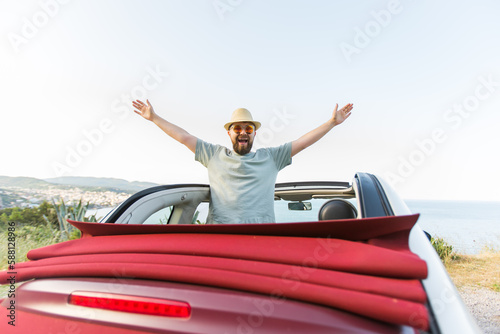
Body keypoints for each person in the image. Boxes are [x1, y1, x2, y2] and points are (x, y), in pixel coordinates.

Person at [132, 100, 353, 224]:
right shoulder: (213, 155)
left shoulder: (271, 158)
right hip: (220, 240)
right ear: (229, 133)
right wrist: (154, 118)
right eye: (237, 128)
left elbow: (302, 143)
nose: (243, 132)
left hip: (260, 241)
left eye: (248, 129)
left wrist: (331, 123)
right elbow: (184, 137)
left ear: (254, 134)